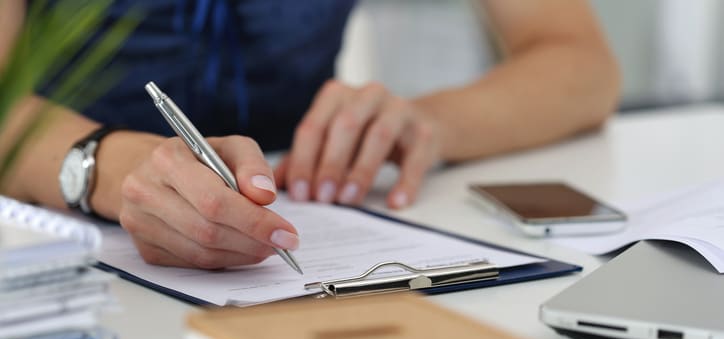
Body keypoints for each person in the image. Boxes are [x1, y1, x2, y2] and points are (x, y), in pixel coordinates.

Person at [0, 0, 620, 269]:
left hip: (305, 197)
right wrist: (103, 167)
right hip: (57, 234)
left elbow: (582, 65)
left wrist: (425, 125)